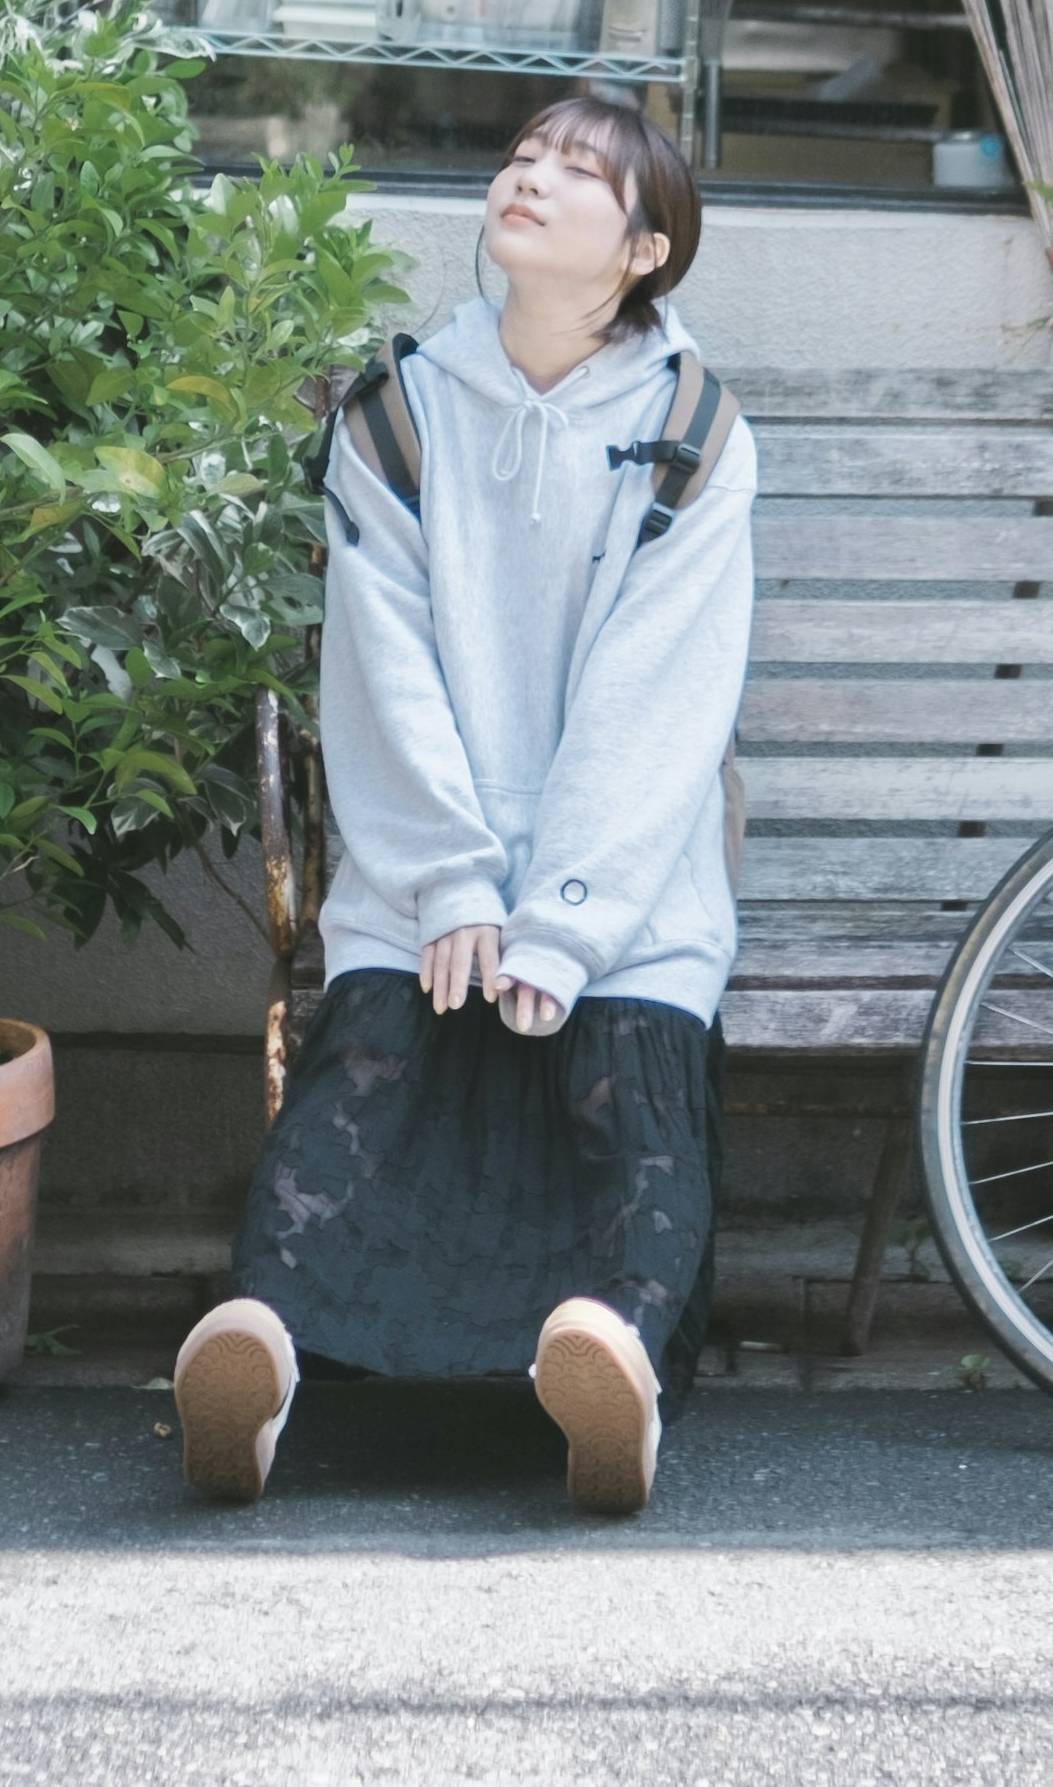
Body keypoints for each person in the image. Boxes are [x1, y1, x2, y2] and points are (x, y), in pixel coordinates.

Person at [173, 96, 756, 1517]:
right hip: (423, 867)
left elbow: (660, 697)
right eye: (522, 158)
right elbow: (378, 664)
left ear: (644, 248)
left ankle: (609, 1356)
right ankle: (256, 1352)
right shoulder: (397, 412)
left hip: (625, 882)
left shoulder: (693, 430)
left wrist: (557, 917)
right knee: (358, 1082)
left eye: (577, 173)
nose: (529, 179)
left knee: (636, 1101)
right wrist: (451, 876)